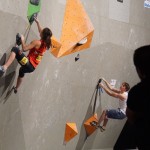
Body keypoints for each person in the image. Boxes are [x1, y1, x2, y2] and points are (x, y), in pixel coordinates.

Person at [0, 18, 53, 93]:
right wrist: (37, 22)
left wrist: (22, 39)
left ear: (43, 35)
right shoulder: (46, 43)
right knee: (21, 71)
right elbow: (41, 31)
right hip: (32, 68)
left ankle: (4, 67)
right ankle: (16, 88)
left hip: (28, 63)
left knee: (15, 49)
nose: (40, 31)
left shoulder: (37, 42)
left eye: (42, 31)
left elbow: (24, 48)